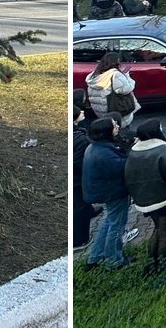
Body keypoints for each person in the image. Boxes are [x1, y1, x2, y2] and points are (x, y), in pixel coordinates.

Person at [125, 119, 166, 275]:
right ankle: (163, 264)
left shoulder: (134, 151)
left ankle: (151, 261)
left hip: (144, 199)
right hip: (164, 197)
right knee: (164, 232)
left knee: (157, 228)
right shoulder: (161, 150)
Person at [81, 118, 130, 270]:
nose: (117, 127)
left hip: (105, 191)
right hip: (113, 192)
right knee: (116, 226)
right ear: (105, 132)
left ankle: (94, 257)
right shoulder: (105, 154)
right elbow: (123, 168)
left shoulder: (95, 147)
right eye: (114, 126)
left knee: (109, 221)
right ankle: (114, 260)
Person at [85, 52, 141, 128]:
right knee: (120, 129)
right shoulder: (115, 75)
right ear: (117, 61)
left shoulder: (94, 75)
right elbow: (127, 88)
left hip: (100, 111)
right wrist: (127, 76)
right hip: (115, 110)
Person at [72, 93, 96, 250]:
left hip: (77, 178)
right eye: (79, 112)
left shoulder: (77, 135)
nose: (82, 112)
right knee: (79, 206)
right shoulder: (81, 139)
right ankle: (80, 239)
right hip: (78, 179)